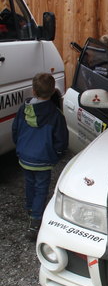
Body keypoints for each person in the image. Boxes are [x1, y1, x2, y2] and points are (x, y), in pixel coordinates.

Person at [12, 72, 68, 236]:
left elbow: (15, 130)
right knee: (41, 188)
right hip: (43, 159)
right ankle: (36, 221)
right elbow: (61, 139)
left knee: (29, 183)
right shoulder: (56, 114)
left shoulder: (23, 109)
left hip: (25, 156)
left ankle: (30, 207)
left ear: (33, 91)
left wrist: (21, 147)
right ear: (53, 91)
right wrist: (57, 154)